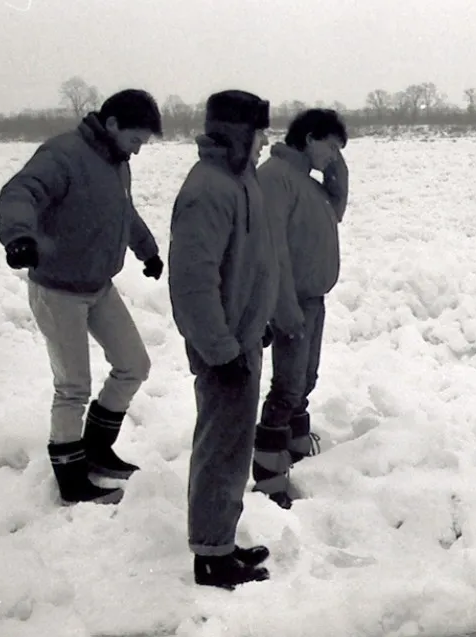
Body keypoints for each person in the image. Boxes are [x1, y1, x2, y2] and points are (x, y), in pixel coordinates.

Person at [0, 89, 165, 506]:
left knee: (134, 364)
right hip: (57, 290)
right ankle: (71, 477)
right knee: (73, 386)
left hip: (98, 287)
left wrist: (147, 250)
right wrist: (19, 235)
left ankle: (96, 449)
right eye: (135, 140)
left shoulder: (116, 162)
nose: (138, 150)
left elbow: (123, 213)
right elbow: (20, 192)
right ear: (111, 125)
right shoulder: (63, 155)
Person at [167, 89, 279, 590]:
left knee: (233, 446)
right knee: (221, 447)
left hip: (241, 338)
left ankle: (220, 541)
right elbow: (193, 282)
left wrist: (260, 321)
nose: (264, 143)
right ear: (239, 133)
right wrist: (221, 349)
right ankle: (210, 557)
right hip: (224, 348)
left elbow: (250, 264)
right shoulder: (208, 189)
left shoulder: (240, 180)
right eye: (259, 133)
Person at [251, 108, 349, 509]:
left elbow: (334, 213)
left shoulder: (306, 183)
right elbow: (270, 250)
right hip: (291, 300)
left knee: (304, 380)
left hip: (312, 299)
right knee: (288, 386)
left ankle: (293, 448)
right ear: (309, 138)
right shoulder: (277, 179)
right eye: (331, 146)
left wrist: (337, 177)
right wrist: (283, 307)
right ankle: (269, 476)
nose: (333, 155)